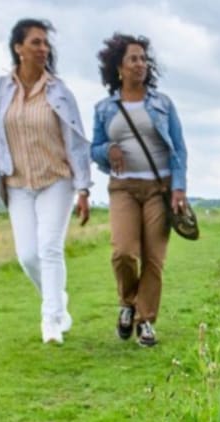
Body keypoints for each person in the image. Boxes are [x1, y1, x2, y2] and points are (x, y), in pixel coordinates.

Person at [0, 18, 93, 345]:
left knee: (50, 248)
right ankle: (58, 301)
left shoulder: (59, 91)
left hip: (57, 180)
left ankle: (51, 320)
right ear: (18, 48)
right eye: (36, 42)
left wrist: (83, 188)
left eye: (45, 43)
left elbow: (76, 140)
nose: (43, 48)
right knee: (27, 256)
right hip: (16, 183)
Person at [90, 32, 189, 348]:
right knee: (123, 252)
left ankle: (145, 321)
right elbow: (93, 148)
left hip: (159, 187)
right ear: (119, 66)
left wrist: (179, 188)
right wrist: (108, 151)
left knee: (154, 259)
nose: (140, 64)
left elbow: (179, 149)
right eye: (133, 59)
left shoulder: (163, 104)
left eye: (143, 59)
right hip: (123, 188)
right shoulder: (105, 108)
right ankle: (127, 302)